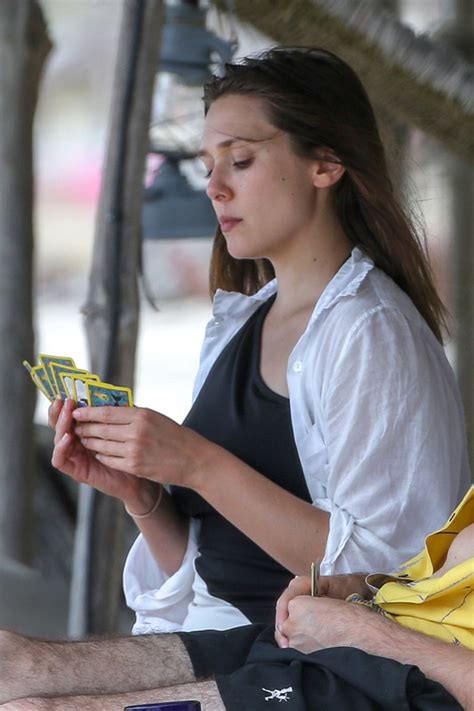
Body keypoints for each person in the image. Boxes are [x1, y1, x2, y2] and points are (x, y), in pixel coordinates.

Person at [49, 46, 469, 634]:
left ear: (325, 165)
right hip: (212, 644)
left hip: (302, 669)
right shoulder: (240, 323)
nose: (215, 188)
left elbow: (393, 576)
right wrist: (142, 496)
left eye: (240, 160)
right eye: (207, 166)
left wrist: (198, 463)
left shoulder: (372, 332)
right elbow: (212, 578)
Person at [1, 487, 473, 709]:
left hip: (409, 687)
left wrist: (364, 633)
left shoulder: (365, 327)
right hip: (341, 647)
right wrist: (359, 586)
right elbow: (438, 591)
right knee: (9, 661)